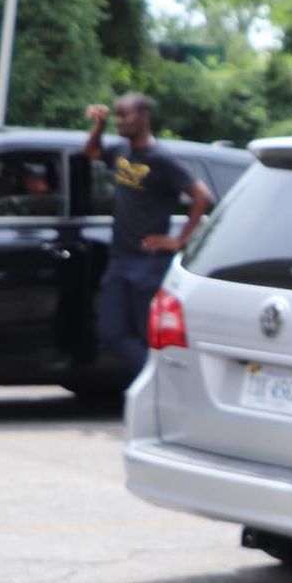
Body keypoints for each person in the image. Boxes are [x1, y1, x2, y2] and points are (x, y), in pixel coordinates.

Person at [82, 94, 213, 374]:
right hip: (120, 259)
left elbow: (202, 196)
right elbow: (91, 152)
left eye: (124, 115)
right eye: (116, 115)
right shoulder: (121, 151)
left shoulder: (162, 159)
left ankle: (161, 383)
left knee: (148, 335)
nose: (120, 121)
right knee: (111, 333)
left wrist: (179, 240)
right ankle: (155, 378)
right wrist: (99, 126)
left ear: (142, 117)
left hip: (148, 262)